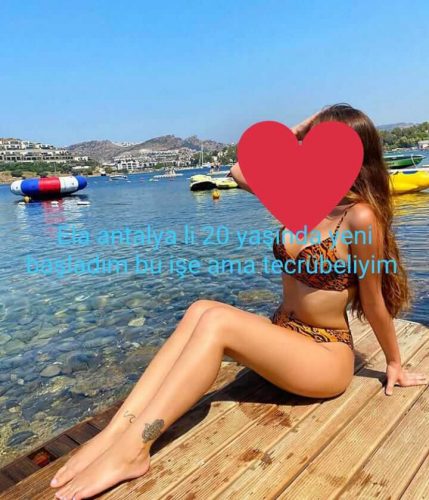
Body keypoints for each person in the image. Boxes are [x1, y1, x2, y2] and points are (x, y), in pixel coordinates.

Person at [50, 104, 428, 500]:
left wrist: (394, 363)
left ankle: (134, 450)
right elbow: (239, 171)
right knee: (201, 309)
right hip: (285, 335)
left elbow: (373, 302)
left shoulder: (360, 217)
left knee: (218, 324)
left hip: (324, 356)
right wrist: (295, 133)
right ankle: (117, 432)